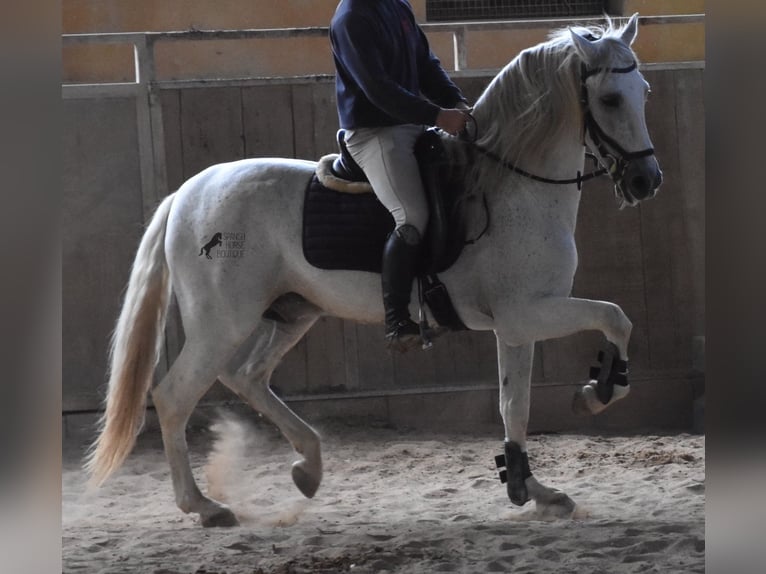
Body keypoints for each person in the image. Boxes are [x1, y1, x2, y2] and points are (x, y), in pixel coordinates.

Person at [330, 0, 471, 350]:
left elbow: (426, 65)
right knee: (412, 215)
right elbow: (378, 90)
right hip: (374, 132)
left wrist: (458, 102)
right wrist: (438, 116)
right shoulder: (351, 18)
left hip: (413, 123)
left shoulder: (397, 6)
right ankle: (397, 319)